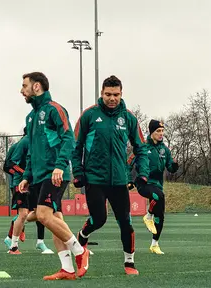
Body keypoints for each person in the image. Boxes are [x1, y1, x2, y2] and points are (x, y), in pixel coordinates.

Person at [72, 75, 149, 275]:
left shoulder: (129, 118)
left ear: (121, 94)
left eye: (115, 94)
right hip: (94, 179)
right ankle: (83, 234)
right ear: (102, 94)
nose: (112, 98)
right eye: (108, 94)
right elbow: (76, 147)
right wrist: (78, 172)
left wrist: (142, 173)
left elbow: (141, 148)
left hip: (119, 180)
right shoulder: (89, 115)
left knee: (125, 221)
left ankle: (129, 262)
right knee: (99, 219)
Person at [18, 72, 89, 280]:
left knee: (42, 215)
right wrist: (27, 175)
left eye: (24, 86)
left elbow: (68, 138)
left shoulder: (54, 109)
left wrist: (60, 166)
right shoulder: (31, 117)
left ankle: (80, 251)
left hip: (55, 173)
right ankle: (67, 269)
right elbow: (31, 149)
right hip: (39, 175)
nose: (21, 90)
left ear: (37, 87)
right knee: (54, 218)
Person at [127, 119, 179, 255]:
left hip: (157, 185)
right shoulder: (142, 147)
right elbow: (128, 163)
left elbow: (170, 167)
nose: (161, 134)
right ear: (151, 132)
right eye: (158, 131)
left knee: (160, 216)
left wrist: (174, 166)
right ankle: (148, 215)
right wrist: (129, 180)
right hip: (143, 183)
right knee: (159, 196)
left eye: (162, 131)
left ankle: (154, 244)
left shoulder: (164, 150)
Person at [3, 128, 53, 254]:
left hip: (35, 183)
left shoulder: (38, 143)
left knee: (39, 211)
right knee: (23, 213)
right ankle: (13, 243)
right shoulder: (24, 142)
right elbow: (8, 165)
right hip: (21, 184)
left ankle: (40, 242)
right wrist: (25, 176)